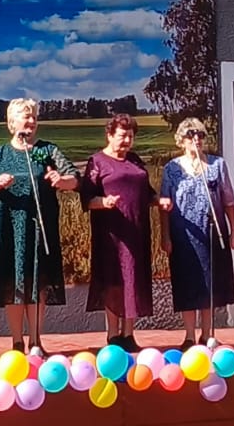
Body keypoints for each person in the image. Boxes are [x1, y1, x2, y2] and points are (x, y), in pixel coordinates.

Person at [0, 98, 79, 355]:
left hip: (39, 228)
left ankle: (36, 340)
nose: (31, 121)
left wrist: (60, 180)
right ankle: (16, 341)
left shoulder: (46, 150)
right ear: (11, 123)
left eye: (34, 117)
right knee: (13, 283)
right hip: (8, 228)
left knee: (37, 282)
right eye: (25, 116)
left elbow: (75, 178)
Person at [159, 117, 234, 349]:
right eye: (191, 135)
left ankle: (206, 334)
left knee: (209, 283)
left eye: (201, 135)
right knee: (187, 283)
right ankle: (189, 335)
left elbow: (228, 200)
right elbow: (164, 205)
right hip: (183, 234)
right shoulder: (172, 169)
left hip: (211, 230)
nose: (197, 139)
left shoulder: (216, 164)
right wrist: (165, 236)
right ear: (181, 141)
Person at [80, 113, 155, 351]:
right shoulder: (97, 162)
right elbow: (87, 198)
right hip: (111, 235)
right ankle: (113, 335)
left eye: (131, 136)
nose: (127, 141)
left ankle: (129, 334)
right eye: (122, 136)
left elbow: (147, 192)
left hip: (136, 231)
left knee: (133, 279)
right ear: (110, 135)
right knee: (113, 280)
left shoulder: (135, 160)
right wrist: (104, 202)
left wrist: (159, 201)